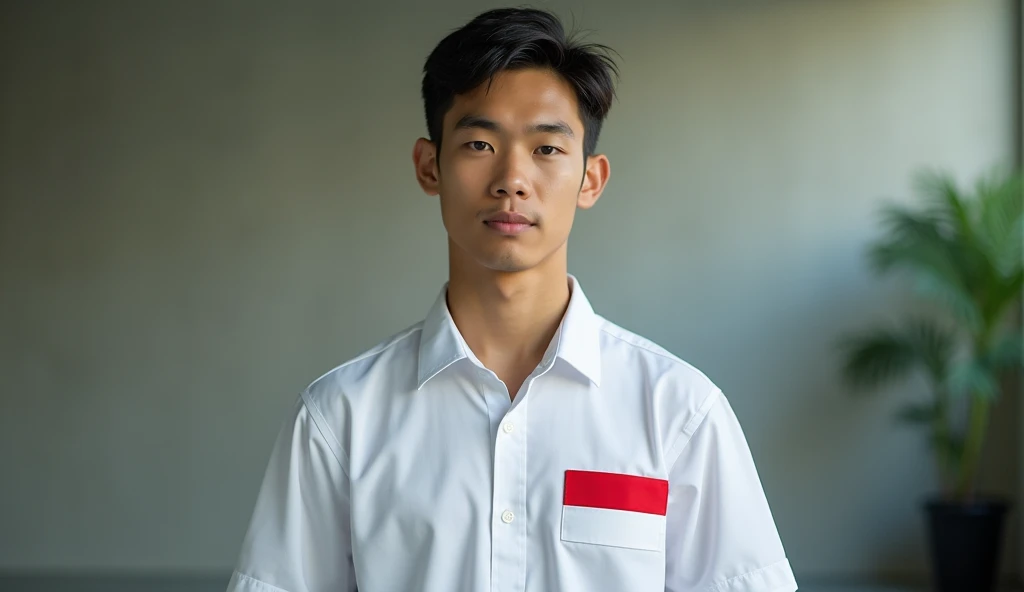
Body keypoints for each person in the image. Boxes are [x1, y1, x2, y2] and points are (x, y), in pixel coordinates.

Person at [226, 7, 797, 592]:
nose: (512, 180)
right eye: (478, 143)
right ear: (430, 167)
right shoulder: (340, 419)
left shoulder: (679, 413)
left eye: (547, 150)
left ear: (591, 179)